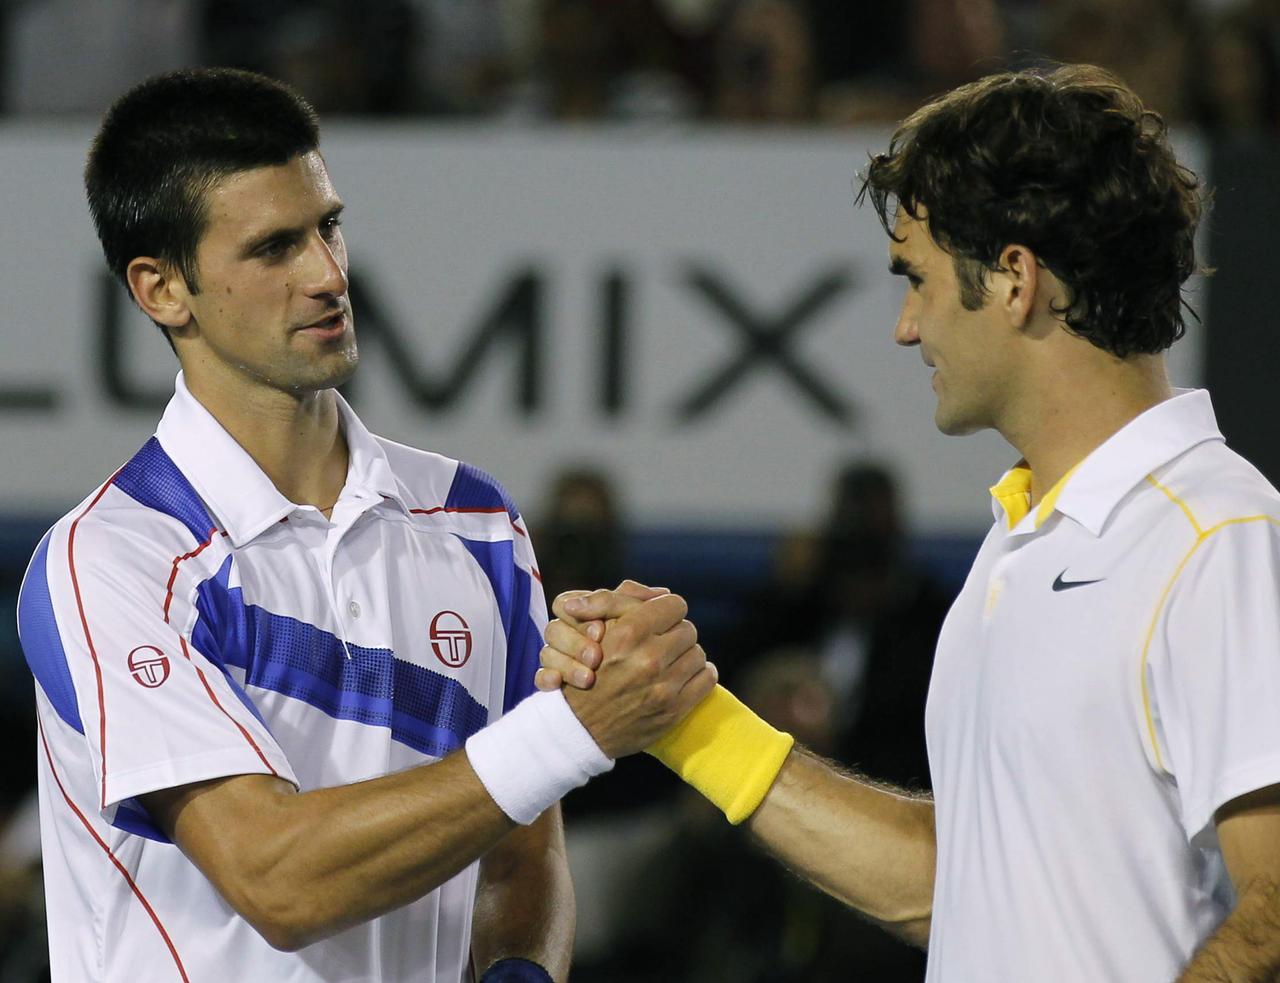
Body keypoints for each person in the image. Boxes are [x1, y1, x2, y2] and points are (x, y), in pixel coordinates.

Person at [538, 64, 1280, 981]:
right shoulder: (1022, 543)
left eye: (917, 279)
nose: (903, 326)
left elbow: (1275, 914)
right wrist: (685, 718)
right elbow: (958, 886)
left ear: (1014, 278)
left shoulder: (1221, 537)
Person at [15, 68, 714, 982]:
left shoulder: (477, 523)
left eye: (328, 226)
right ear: (161, 290)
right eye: (273, 249)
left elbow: (518, 850)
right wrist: (576, 730)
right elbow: (277, 880)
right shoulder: (109, 559)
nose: (329, 274)